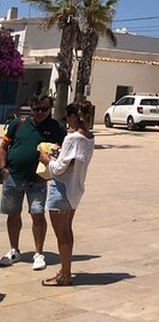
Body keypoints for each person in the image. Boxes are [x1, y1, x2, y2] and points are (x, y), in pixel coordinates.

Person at [0, 95, 65, 271]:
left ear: (50, 109)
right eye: (37, 109)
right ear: (31, 108)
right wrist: (2, 168)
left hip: (38, 180)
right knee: (13, 214)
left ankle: (38, 253)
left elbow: (64, 151)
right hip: (13, 177)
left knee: (37, 214)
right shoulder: (18, 123)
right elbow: (3, 146)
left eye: (44, 109)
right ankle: (14, 250)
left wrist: (52, 167)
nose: (40, 112)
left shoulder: (56, 127)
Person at [38, 102, 95, 287]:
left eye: (68, 117)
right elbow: (72, 162)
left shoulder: (72, 138)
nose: (67, 121)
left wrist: (47, 160)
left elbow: (59, 168)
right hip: (75, 189)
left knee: (61, 234)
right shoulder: (89, 137)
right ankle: (65, 269)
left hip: (61, 189)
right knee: (67, 231)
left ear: (73, 117)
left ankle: (65, 275)